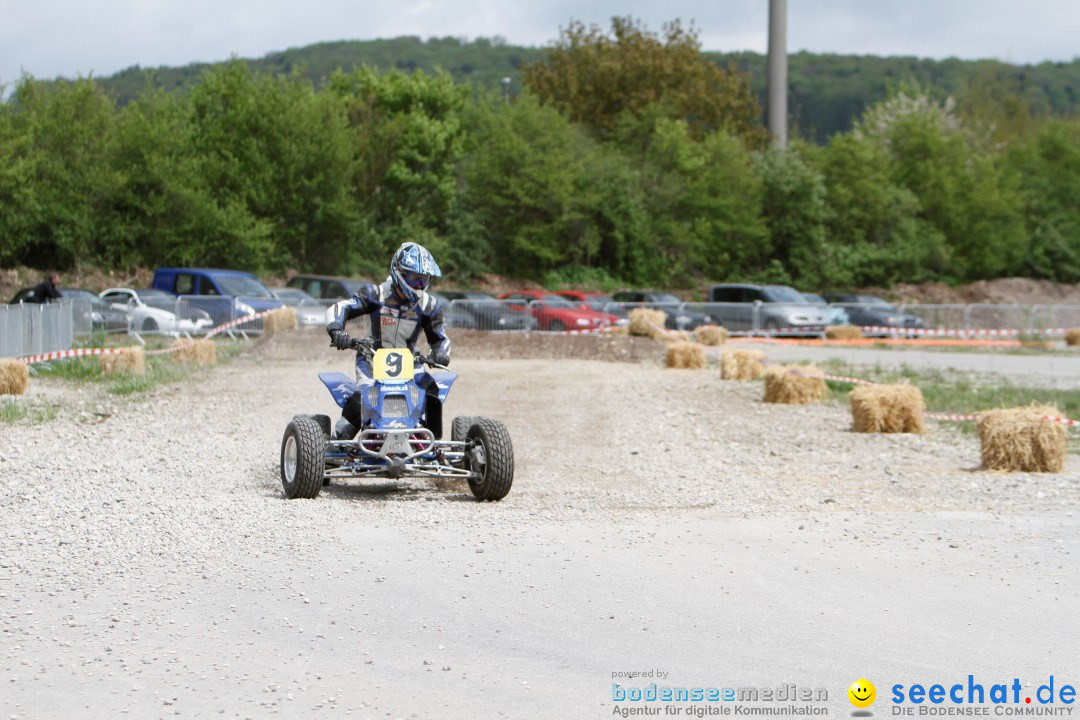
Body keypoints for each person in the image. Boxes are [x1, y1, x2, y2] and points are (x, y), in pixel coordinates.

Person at [325, 242, 452, 441]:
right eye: (414, 278)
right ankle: (337, 442)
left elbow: (440, 338)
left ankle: (431, 445)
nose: (420, 285)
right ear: (399, 272)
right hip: (372, 361)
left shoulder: (429, 305)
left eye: (424, 279)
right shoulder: (375, 294)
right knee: (362, 400)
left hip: (410, 363)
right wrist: (336, 330)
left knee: (432, 393)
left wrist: (441, 353)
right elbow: (341, 308)